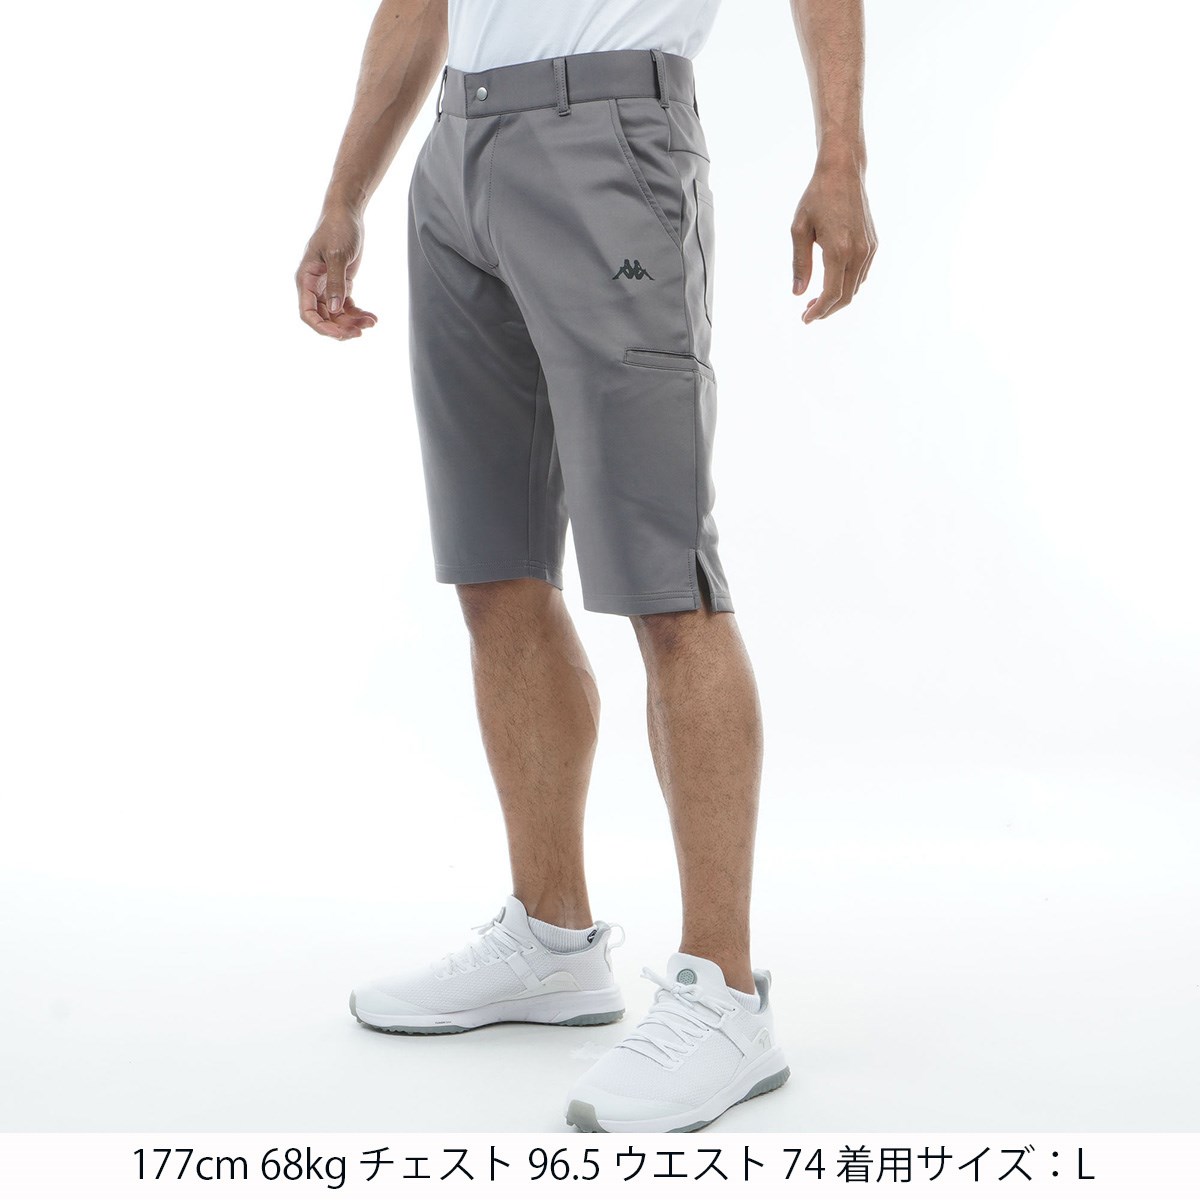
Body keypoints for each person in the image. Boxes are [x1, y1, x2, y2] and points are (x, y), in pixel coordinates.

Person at [295, 0, 875, 1134]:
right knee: (494, 566)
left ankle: (724, 997)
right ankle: (552, 940)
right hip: (456, 152)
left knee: (666, 578)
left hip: (610, 135)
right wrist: (345, 194)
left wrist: (841, 156)